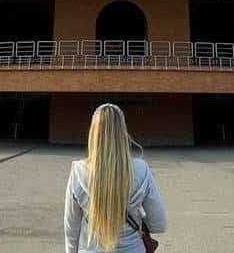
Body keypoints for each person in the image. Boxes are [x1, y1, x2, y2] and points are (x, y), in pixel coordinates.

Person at [64, 104, 167, 253]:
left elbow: (71, 230)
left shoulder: (78, 171)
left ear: (94, 133)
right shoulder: (141, 169)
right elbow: (159, 224)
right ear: (123, 132)